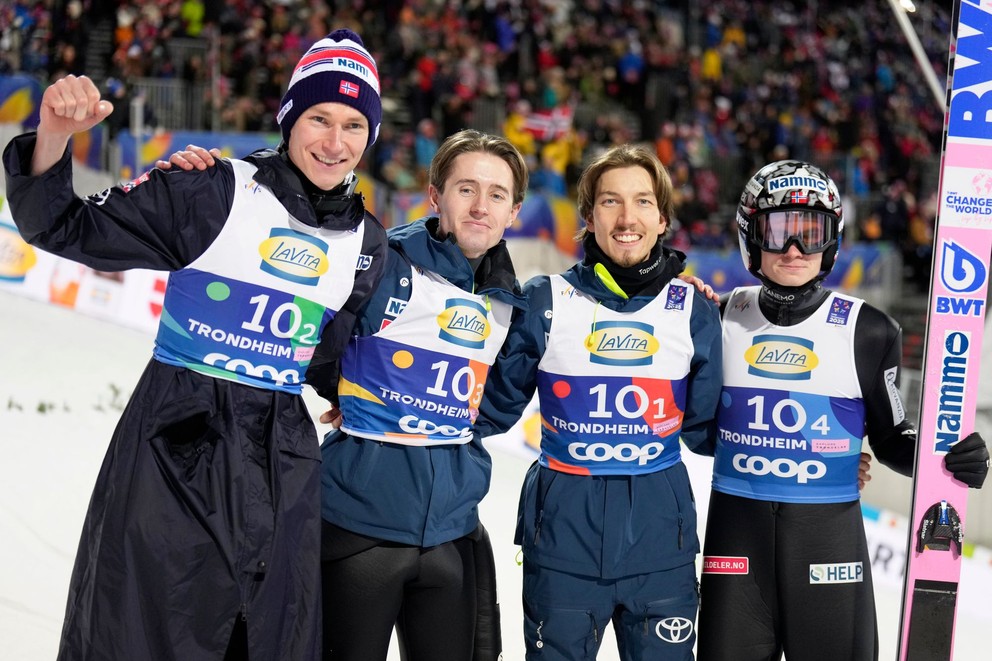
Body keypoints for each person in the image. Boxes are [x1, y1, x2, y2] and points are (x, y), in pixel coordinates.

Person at [2, 29, 386, 661]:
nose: (334, 142)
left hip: (283, 463)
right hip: (176, 446)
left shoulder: (365, 243)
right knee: (145, 634)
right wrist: (53, 136)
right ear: (289, 117)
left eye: (353, 125)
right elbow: (63, 225)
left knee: (264, 640)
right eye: (319, 118)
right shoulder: (212, 189)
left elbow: (328, 353)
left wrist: (350, 392)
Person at [695, 160, 990, 661]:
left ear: (831, 241)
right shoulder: (717, 315)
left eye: (810, 233)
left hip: (829, 550)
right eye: (778, 231)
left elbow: (893, 436)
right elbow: (685, 417)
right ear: (750, 236)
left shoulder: (870, 331)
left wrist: (946, 457)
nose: (794, 250)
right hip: (735, 547)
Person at [475, 144, 723, 660]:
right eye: (610, 202)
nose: (627, 218)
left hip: (661, 551)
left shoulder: (693, 310)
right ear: (588, 217)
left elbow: (709, 432)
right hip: (563, 547)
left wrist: (826, 449)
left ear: (662, 219)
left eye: (642, 202)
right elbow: (490, 409)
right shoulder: (546, 300)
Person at [316, 129, 528, 661]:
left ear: (514, 212)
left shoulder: (506, 299)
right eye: (466, 189)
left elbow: (497, 402)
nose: (481, 206)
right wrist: (352, 395)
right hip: (358, 526)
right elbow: (313, 341)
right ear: (435, 195)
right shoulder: (383, 261)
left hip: (450, 533)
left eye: (497, 195)